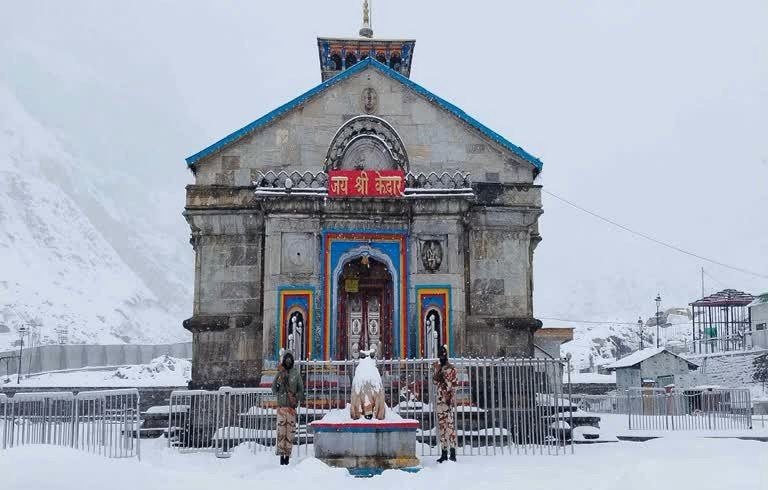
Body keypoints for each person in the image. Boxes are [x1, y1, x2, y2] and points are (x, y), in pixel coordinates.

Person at [271, 350, 305, 466]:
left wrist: (295, 397)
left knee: (290, 433)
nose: (288, 361)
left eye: (290, 359)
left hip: (291, 408)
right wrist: (278, 382)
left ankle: (287, 457)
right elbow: (274, 389)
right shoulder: (280, 373)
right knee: (281, 433)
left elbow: (301, 390)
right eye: (287, 359)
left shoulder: (295, 373)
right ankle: (281, 457)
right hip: (281, 408)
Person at [433, 344, 457, 463]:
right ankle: (444, 452)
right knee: (442, 427)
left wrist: (450, 397)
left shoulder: (450, 368)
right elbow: (435, 381)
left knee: (450, 427)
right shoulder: (440, 367)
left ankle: (452, 452)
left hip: (447, 401)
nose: (441, 356)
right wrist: (437, 370)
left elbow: (452, 385)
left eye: (443, 353)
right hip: (439, 400)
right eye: (440, 353)